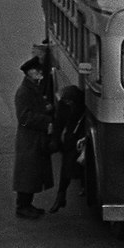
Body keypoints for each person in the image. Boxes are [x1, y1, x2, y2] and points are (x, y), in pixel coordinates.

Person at [13, 56, 54, 219]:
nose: (39, 72)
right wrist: (45, 122)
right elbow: (24, 117)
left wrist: (46, 108)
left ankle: (27, 205)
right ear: (29, 73)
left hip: (33, 139)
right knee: (27, 175)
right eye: (36, 70)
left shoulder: (32, 88)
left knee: (31, 174)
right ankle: (22, 207)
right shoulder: (24, 92)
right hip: (29, 140)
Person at [50, 85, 86, 213]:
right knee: (67, 166)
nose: (68, 104)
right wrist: (55, 140)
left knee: (74, 165)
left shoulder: (80, 105)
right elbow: (58, 123)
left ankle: (63, 195)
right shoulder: (65, 105)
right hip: (70, 138)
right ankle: (61, 195)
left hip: (80, 138)